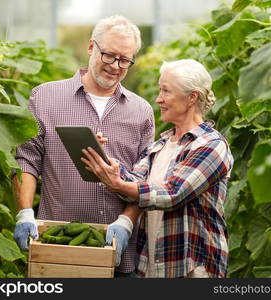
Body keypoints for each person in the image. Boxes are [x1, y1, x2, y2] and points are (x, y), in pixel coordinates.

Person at [12, 15, 155, 277]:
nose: (115, 66)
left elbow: (145, 178)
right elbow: (26, 161)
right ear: (91, 47)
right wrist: (24, 213)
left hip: (118, 257)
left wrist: (126, 222)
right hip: (56, 248)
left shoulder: (141, 111)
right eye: (109, 55)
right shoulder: (45, 97)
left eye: (124, 60)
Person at [81, 59, 234, 278]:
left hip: (191, 269)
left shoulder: (211, 145)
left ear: (192, 97)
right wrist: (104, 159)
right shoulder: (160, 145)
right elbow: (134, 182)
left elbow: (173, 194)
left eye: (166, 91)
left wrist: (119, 183)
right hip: (151, 266)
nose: (158, 99)